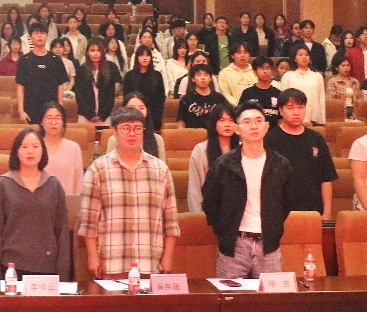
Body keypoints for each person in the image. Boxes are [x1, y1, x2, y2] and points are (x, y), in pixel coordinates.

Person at [78, 105, 179, 277]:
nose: (132, 134)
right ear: (114, 131)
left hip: (150, 261)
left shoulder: (160, 169)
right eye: (126, 128)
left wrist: (168, 257)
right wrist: (93, 256)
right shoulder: (98, 169)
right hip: (111, 261)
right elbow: (89, 222)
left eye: (137, 128)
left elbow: (170, 221)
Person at [201, 101, 293, 278]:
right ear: (237, 129)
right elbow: (210, 203)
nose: (254, 126)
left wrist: (272, 229)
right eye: (247, 122)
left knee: (272, 294)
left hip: (269, 246)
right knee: (230, 294)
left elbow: (286, 204)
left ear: (266, 126)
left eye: (258, 121)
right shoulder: (223, 165)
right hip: (234, 246)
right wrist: (225, 232)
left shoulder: (281, 165)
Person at [0, 126, 70, 283]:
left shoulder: (54, 185)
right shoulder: (3, 184)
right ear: (16, 152)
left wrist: (63, 274)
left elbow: (62, 232)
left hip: (47, 268)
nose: (30, 151)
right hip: (11, 268)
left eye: (35, 146)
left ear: (43, 151)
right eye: (24, 147)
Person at [264, 88, 337, 218]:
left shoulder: (316, 139)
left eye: (300, 107)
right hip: (279, 213)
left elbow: (326, 179)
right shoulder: (269, 139)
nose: (296, 112)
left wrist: (327, 213)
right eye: (290, 108)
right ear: (280, 110)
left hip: (313, 211)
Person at [187, 102, 238, 212]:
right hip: (209, 209)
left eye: (231, 120)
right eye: (222, 120)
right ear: (214, 123)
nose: (227, 124)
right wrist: (199, 217)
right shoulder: (200, 151)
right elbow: (194, 189)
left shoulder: (242, 149)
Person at [16, 24, 67, 125]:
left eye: (42, 33)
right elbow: (20, 87)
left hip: (52, 110)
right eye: (36, 33)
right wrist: (21, 111)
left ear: (47, 35)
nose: (39, 36)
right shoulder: (24, 60)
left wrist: (60, 109)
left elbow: (60, 86)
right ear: (30, 37)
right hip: (30, 109)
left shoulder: (55, 60)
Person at [36, 101, 83, 196]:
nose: (53, 122)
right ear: (42, 122)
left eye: (57, 118)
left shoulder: (73, 148)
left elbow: (78, 182)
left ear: (63, 122)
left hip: (67, 201)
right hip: (39, 200)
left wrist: (76, 202)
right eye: (49, 118)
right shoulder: (35, 147)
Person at [74, 39, 120, 126]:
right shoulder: (82, 69)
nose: (95, 53)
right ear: (87, 53)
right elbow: (79, 95)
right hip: (85, 115)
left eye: (98, 51)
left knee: (104, 134)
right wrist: (89, 115)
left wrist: (102, 115)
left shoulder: (111, 67)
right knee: (85, 134)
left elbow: (111, 95)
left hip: (104, 116)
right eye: (92, 50)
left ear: (103, 52)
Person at [121, 44, 165, 131]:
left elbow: (161, 98)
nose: (145, 58)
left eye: (147, 55)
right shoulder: (129, 75)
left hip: (153, 117)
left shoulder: (157, 75)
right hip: (133, 115)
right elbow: (126, 98)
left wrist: (156, 116)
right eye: (141, 55)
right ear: (137, 58)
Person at [278, 46, 325, 125]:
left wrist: (322, 120)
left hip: (314, 116)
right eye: (300, 55)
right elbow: (283, 100)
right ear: (295, 58)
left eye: (306, 55)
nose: (304, 57)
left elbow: (321, 98)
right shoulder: (288, 76)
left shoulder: (317, 76)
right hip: (294, 115)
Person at [238, 56, 283, 127]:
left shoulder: (278, 93)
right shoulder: (247, 93)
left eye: (267, 68)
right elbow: (240, 116)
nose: (265, 71)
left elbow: (281, 119)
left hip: (273, 132)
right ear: (254, 72)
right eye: (261, 68)